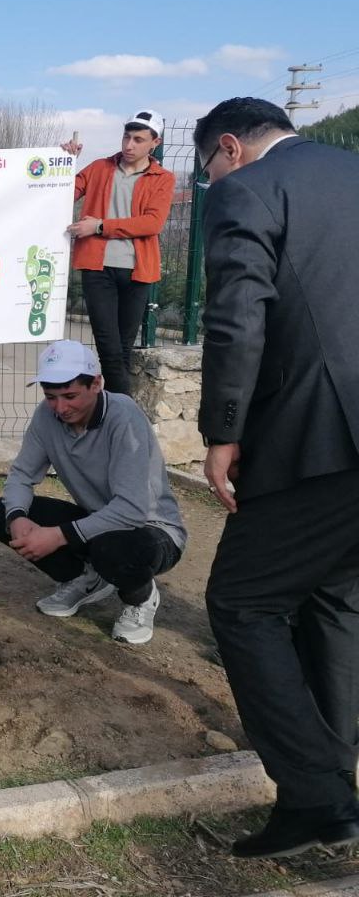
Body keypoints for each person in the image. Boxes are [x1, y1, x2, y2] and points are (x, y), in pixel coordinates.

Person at [195, 97, 359, 859]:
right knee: (336, 597)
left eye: (208, 169)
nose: (212, 183)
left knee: (243, 600)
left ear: (230, 147)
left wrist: (223, 433)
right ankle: (327, 784)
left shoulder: (250, 187)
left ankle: (324, 799)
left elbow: (236, 317)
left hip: (319, 437)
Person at [0, 339, 186, 644]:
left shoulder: (124, 417)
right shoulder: (46, 416)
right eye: (51, 397)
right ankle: (86, 578)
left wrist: (57, 535)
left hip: (152, 529)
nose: (60, 408)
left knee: (112, 549)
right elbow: (22, 474)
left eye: (70, 395)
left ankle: (141, 598)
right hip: (99, 520)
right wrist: (18, 517)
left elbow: (131, 510)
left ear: (96, 384)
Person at [63, 110, 175, 394]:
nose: (129, 145)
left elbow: (152, 223)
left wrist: (100, 226)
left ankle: (113, 415)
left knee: (122, 349)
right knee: (109, 347)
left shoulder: (162, 178)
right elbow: (62, 193)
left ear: (155, 143)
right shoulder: (100, 168)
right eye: (126, 137)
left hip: (138, 271)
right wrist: (64, 163)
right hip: (97, 268)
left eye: (138, 139)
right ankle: (124, 417)